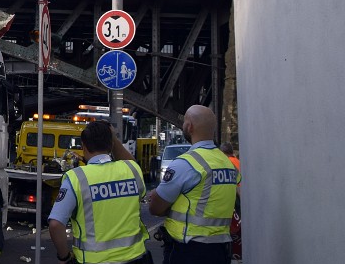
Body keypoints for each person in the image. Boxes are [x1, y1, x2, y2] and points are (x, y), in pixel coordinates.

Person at [47, 120, 151, 264]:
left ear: (83, 146)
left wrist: (64, 257)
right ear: (112, 144)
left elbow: (55, 224)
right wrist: (112, 138)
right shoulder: (132, 170)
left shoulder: (77, 178)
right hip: (136, 259)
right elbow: (130, 162)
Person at [147, 106, 239, 264]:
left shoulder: (186, 163)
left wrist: (158, 197)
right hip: (220, 250)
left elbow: (155, 208)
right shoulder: (227, 163)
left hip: (188, 250)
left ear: (189, 126)